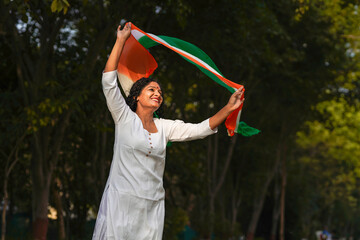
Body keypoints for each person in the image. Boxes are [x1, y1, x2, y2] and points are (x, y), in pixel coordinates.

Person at [92, 22, 245, 240]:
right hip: (122, 202)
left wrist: (228, 108)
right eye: (151, 89)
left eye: (160, 91)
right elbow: (108, 81)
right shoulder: (124, 117)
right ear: (136, 96)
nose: (157, 93)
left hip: (152, 205)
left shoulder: (164, 127)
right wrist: (120, 41)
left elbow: (201, 129)